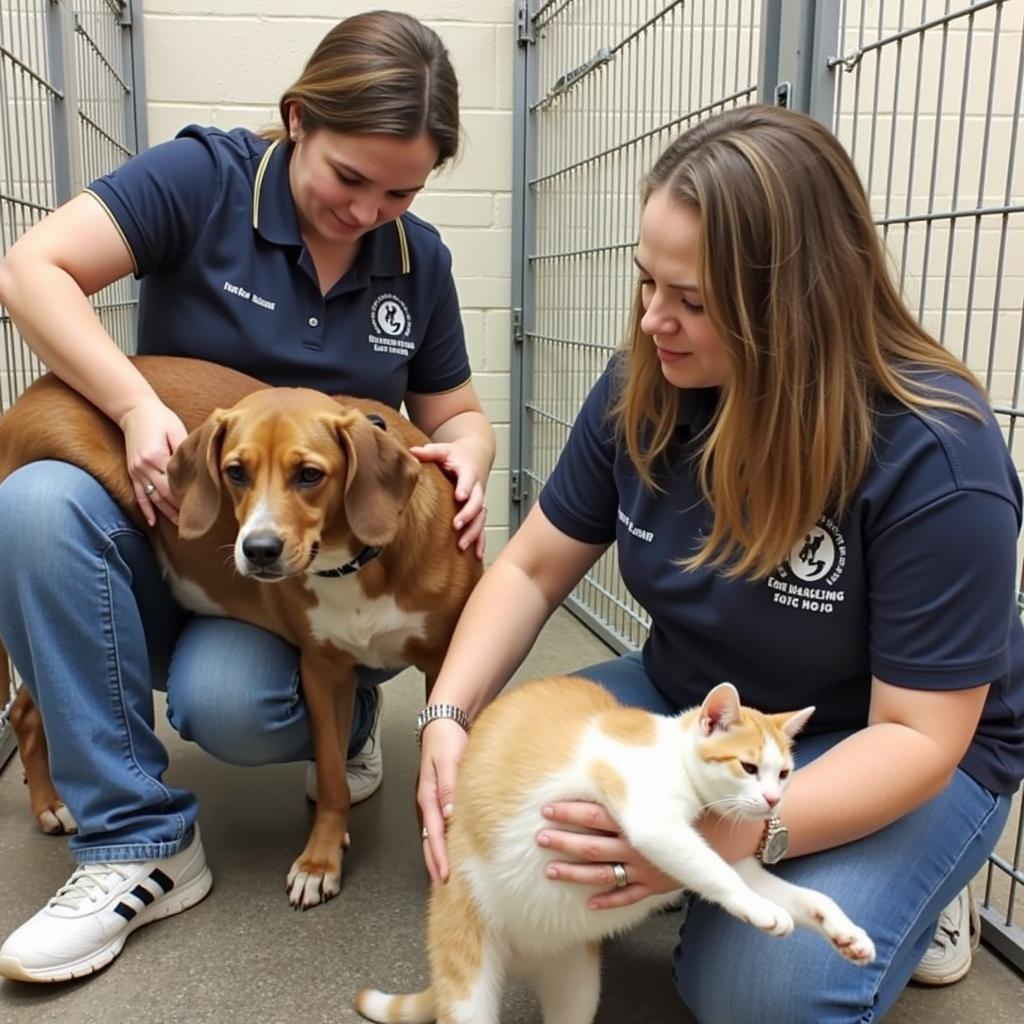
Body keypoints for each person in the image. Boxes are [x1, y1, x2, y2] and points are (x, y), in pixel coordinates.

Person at [416, 104, 1024, 1022]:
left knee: (759, 994)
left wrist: (729, 832)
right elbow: (533, 568)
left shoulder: (937, 458)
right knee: (521, 798)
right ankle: (739, 866)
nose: (655, 321)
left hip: (891, 741)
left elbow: (918, 735)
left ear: (799, 303)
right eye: (647, 282)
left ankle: (921, 889)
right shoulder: (644, 388)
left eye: (693, 301)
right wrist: (449, 716)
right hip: (698, 705)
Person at [0, 10, 494, 982]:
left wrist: (469, 450)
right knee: (36, 504)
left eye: (402, 190)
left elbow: (460, 414)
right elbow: (29, 269)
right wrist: (138, 408)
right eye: (348, 178)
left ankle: (341, 727)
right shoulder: (204, 177)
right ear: (297, 119)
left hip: (300, 576)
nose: (367, 210)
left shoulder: (416, 258)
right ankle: (139, 844)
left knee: (226, 704)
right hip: (176, 527)